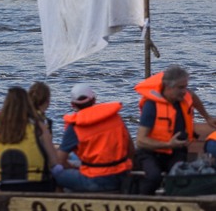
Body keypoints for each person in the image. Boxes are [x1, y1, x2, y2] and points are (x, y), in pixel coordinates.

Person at [134, 65, 212, 195]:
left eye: (185, 87)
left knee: (179, 177)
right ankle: (140, 202)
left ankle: (173, 204)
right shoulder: (151, 106)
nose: (184, 91)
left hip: (176, 152)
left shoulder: (185, 96)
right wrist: (168, 144)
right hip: (151, 153)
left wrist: (207, 117)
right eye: (180, 88)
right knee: (154, 177)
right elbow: (141, 141)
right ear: (168, 87)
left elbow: (193, 96)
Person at [53, 83, 133, 192]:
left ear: (73, 105)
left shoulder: (75, 126)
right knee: (73, 157)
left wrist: (74, 168)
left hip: (94, 180)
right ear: (94, 100)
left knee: (54, 172)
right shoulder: (115, 117)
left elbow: (60, 160)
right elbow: (130, 148)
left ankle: (64, 205)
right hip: (121, 176)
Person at [0, 87, 57, 192]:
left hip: (4, 185)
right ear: (28, 103)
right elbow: (53, 161)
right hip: (36, 185)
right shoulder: (38, 126)